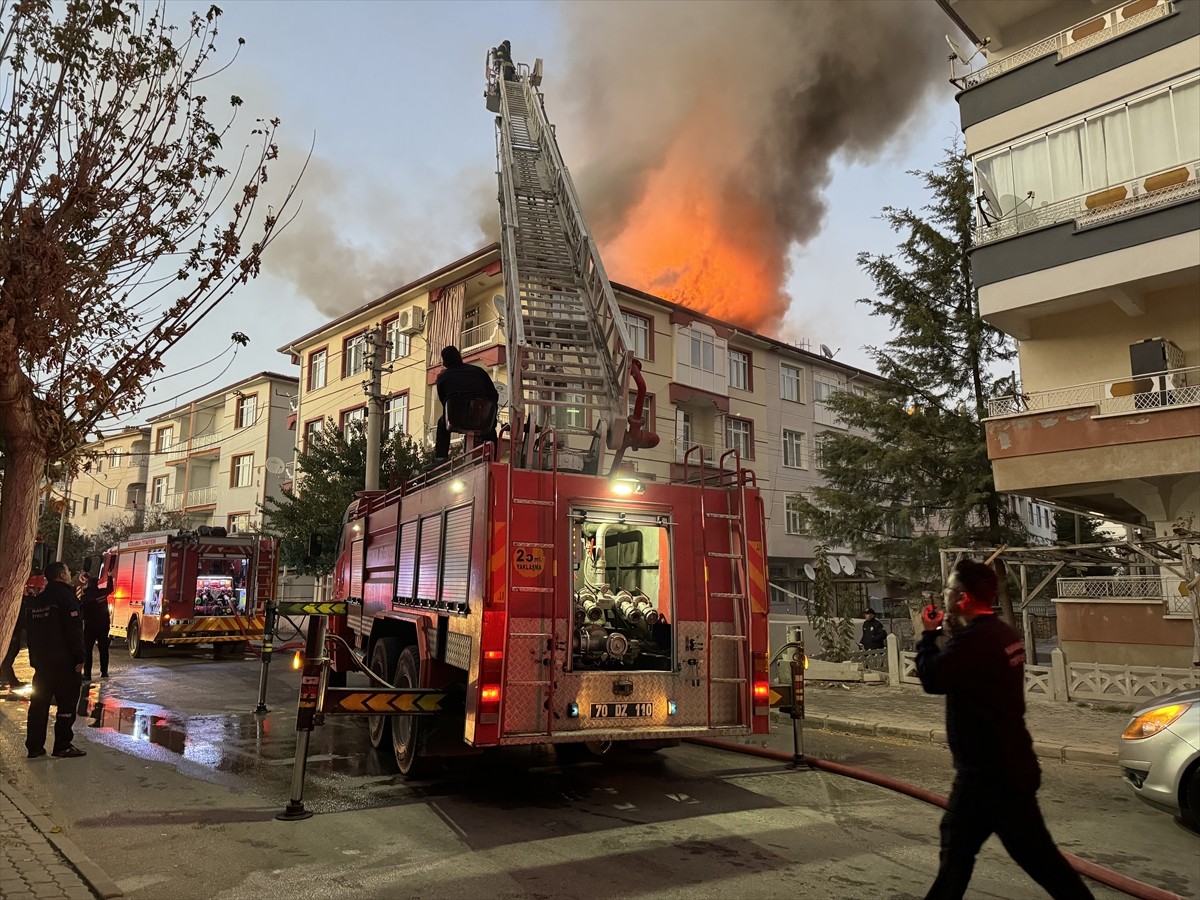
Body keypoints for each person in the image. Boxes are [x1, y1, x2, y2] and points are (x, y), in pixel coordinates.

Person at [917, 559, 1092, 900]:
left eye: (949, 591)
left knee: (963, 854)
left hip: (986, 775)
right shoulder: (1001, 633)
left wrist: (928, 634)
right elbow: (965, 667)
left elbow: (933, 676)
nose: (945, 597)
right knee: (1035, 859)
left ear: (963, 598)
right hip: (1010, 765)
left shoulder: (975, 642)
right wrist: (947, 631)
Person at [25, 561, 87, 759]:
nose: (70, 575)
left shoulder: (36, 601)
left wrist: (34, 658)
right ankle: (62, 745)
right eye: (68, 572)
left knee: (39, 705)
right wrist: (80, 656)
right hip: (64, 663)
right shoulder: (66, 598)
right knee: (66, 704)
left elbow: (31, 634)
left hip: (42, 664)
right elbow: (74, 630)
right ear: (62, 575)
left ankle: (34, 747)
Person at [434, 345, 499, 460]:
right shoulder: (479, 371)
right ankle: (494, 455)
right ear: (459, 357)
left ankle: (441, 457)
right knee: (490, 428)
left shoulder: (442, 378)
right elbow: (494, 395)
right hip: (481, 418)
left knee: (441, 423)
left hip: (456, 418)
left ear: (445, 362)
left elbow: (445, 403)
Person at [78, 571, 114, 681]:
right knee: (103, 649)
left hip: (90, 626)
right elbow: (110, 589)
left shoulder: (86, 596)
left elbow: (81, 612)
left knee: (88, 650)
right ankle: (104, 672)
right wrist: (110, 577)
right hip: (103, 625)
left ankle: (87, 674)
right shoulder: (102, 593)